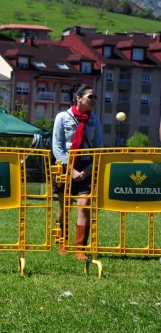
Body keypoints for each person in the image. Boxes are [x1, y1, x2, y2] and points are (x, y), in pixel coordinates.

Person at [52, 83, 103, 261]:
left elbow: (99, 147)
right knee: (63, 207)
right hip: (65, 166)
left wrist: (89, 169)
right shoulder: (62, 117)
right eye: (91, 96)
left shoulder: (95, 120)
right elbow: (57, 148)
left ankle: (80, 248)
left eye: (95, 97)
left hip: (87, 166)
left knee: (84, 204)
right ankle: (62, 243)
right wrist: (71, 170)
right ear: (78, 98)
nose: (94, 100)